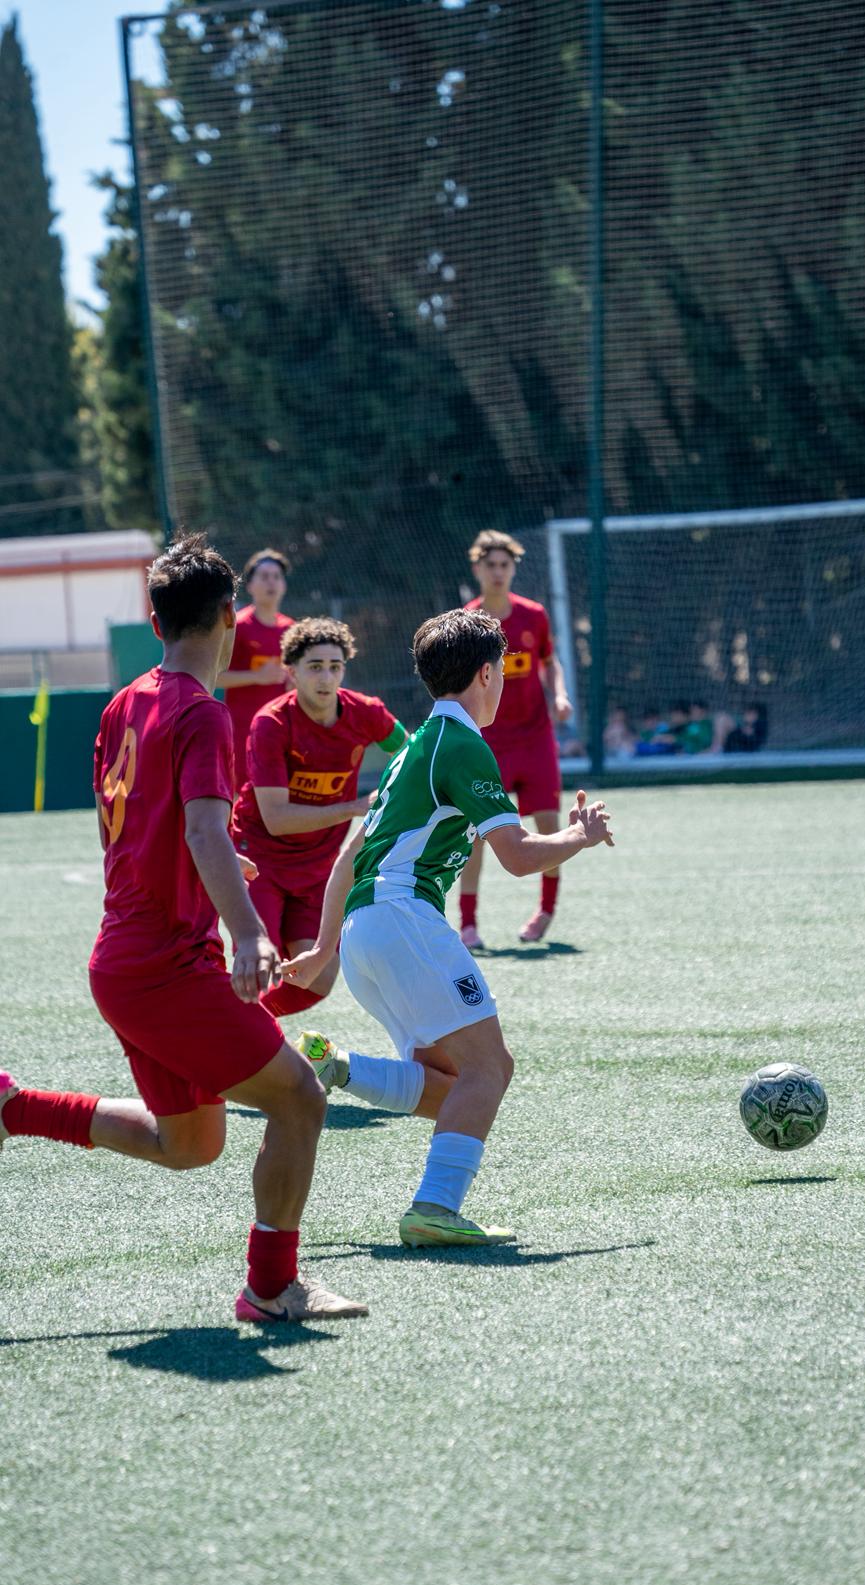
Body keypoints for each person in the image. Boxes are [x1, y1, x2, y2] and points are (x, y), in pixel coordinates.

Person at [0, 534, 366, 1325]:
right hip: (167, 964)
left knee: (191, 1145)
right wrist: (245, 930)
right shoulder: (203, 713)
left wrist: (227, 872)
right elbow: (200, 832)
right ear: (230, 616)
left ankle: (12, 1110)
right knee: (300, 1097)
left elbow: (143, 829)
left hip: (123, 960)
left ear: (154, 618)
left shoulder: (123, 701)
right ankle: (272, 1288)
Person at [279, 608, 614, 1250]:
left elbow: (353, 853)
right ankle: (433, 1208)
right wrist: (580, 834)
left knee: (448, 1089)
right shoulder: (462, 745)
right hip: (405, 919)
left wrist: (325, 948)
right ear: (487, 674)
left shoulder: (415, 747)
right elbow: (516, 856)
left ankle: (338, 1068)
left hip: (364, 934)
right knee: (490, 1069)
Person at [230, 616, 408, 1021]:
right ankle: (244, 1052)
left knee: (320, 975)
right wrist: (354, 807)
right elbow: (276, 819)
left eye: (335, 666)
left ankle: (243, 1029)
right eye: (314, 667)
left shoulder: (366, 713)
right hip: (260, 861)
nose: (326, 677)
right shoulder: (270, 724)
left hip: (318, 869)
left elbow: (413, 755)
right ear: (291, 672)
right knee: (261, 964)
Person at [459, 528, 574, 948]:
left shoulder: (534, 615)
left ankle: (545, 910)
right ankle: (468, 923)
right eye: (490, 565)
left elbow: (550, 660)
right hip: (488, 743)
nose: (497, 572)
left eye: (504, 565)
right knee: (476, 831)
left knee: (548, 824)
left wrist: (559, 694)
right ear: (478, 568)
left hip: (536, 739)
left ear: (513, 569)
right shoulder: (469, 621)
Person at [217, 547, 295, 790]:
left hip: (282, 727)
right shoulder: (236, 625)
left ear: (283, 585)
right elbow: (216, 677)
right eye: (264, 576)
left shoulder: (292, 629)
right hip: (242, 728)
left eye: (276, 576)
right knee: (242, 790)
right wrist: (256, 677)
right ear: (249, 585)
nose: (271, 582)